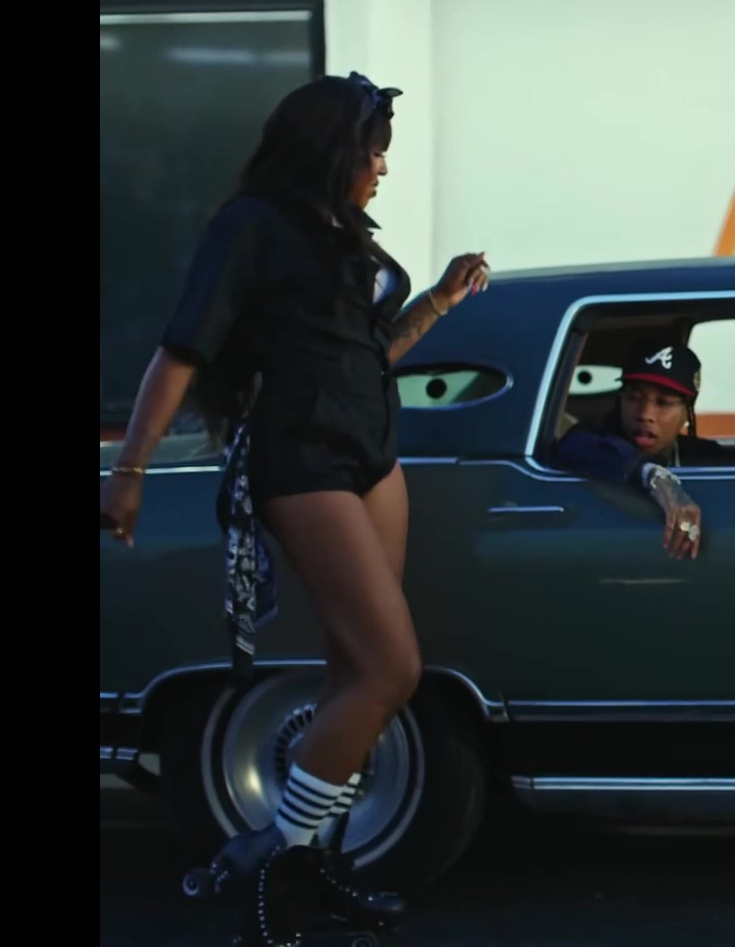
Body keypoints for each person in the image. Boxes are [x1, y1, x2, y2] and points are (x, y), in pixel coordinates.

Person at [98, 72, 491, 944]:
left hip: (373, 454)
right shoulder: (251, 226)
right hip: (303, 455)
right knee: (391, 669)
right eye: (373, 150)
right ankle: (273, 856)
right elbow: (182, 349)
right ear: (330, 149)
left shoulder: (348, 234)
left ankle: (310, 865)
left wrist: (438, 300)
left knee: (356, 673)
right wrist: (129, 469)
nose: (382, 166)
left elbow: (366, 353)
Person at [551, 341, 721, 559]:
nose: (645, 414)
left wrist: (691, 531)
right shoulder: (592, 445)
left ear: (688, 411)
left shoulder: (707, 458)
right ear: (620, 400)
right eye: (634, 398)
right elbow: (575, 448)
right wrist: (656, 478)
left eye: (663, 402)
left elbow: (705, 530)